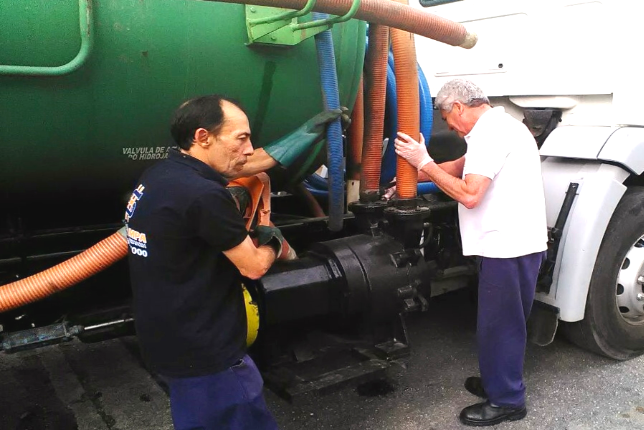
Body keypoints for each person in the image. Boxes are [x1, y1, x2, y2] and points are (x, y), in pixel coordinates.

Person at [125, 95, 343, 430]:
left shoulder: (160, 175)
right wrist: (271, 239)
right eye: (241, 138)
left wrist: (304, 134)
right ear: (203, 137)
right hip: (208, 350)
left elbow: (248, 164)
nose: (248, 147)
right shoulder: (204, 195)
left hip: (165, 339)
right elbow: (253, 266)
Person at [393, 79, 547, 426]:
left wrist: (426, 162)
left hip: (509, 247)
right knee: (499, 323)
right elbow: (461, 167)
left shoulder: (492, 134)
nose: (452, 128)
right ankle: (499, 381)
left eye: (449, 121)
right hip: (509, 244)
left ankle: (507, 400)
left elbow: (469, 194)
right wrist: (408, 177)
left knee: (501, 326)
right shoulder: (498, 128)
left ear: (459, 107)